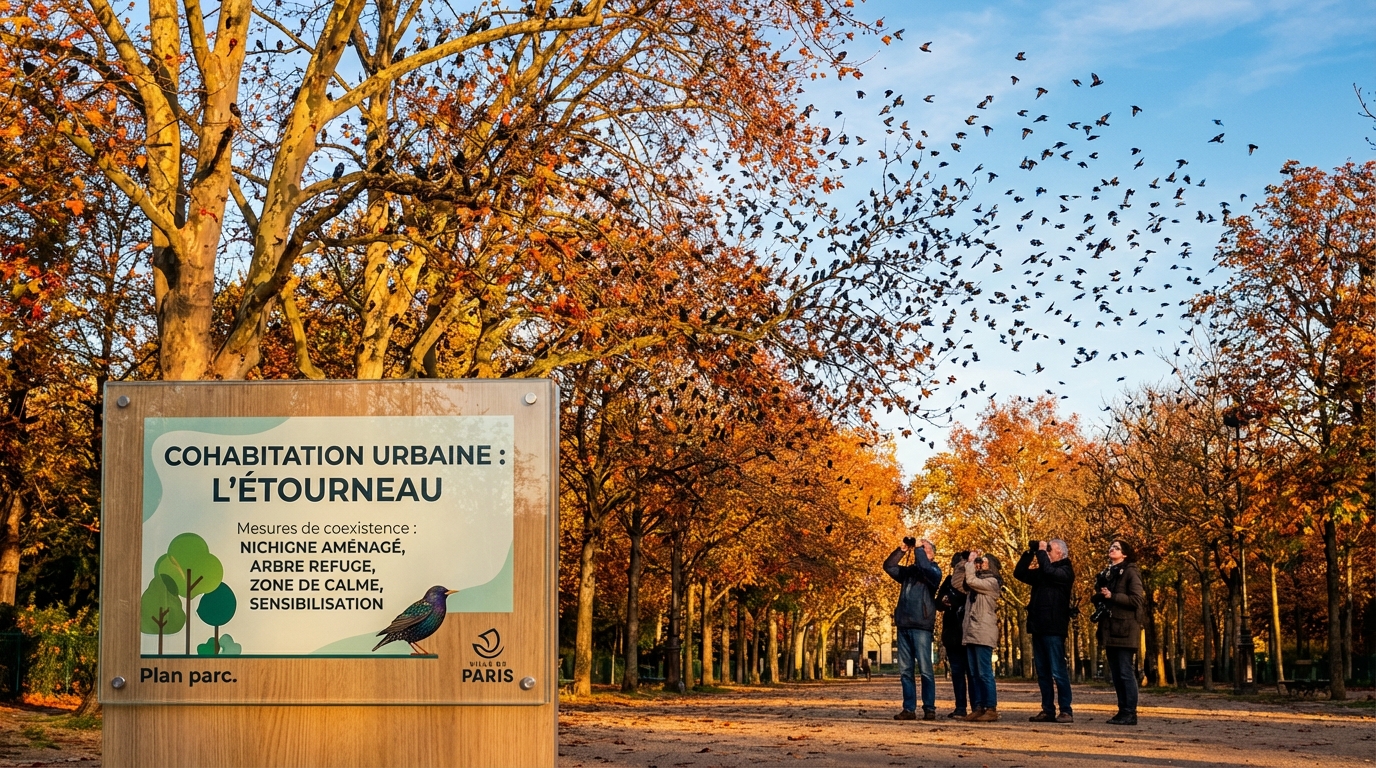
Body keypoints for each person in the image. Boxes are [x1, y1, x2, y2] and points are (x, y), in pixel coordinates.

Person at [1014, 539, 1076, 723]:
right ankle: (1048, 709)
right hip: (1039, 627)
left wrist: (1041, 551)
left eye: (1049, 549)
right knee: (1043, 673)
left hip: (1054, 628)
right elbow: (1019, 573)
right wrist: (1030, 552)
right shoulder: (1043, 572)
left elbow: (1049, 571)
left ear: (1061, 553)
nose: (1046, 552)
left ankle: (1066, 710)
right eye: (1045, 549)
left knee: (1058, 671)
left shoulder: (1065, 571)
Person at [883, 536, 942, 721]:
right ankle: (909, 709)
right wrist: (901, 550)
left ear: (930, 554)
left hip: (922, 626)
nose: (919, 550)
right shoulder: (909, 572)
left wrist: (918, 549)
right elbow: (889, 567)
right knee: (905, 671)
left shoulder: (934, 571)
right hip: (904, 625)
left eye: (924, 548)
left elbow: (924, 567)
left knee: (925, 670)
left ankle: (929, 708)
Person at [1091, 539, 1145, 726]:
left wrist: (1112, 596)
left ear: (1125, 554)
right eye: (1111, 546)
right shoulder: (1107, 573)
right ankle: (1122, 711)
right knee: (1116, 673)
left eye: (1117, 547)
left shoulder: (1131, 572)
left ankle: (1130, 712)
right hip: (1110, 628)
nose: (1111, 549)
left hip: (1125, 629)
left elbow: (1137, 600)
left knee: (1125, 672)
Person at [953, 549, 1002, 722]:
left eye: (984, 562)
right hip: (971, 632)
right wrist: (966, 561)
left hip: (983, 632)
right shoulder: (974, 584)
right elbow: (957, 582)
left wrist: (971, 564)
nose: (980, 564)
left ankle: (991, 708)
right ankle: (979, 707)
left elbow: (971, 580)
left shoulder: (992, 582)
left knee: (984, 673)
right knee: (974, 674)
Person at [935, 551, 972, 718]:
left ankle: (971, 707)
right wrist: (943, 602)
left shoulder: (971, 580)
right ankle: (962, 707)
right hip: (953, 632)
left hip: (966, 630)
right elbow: (938, 602)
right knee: (959, 672)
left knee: (969, 672)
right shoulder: (949, 581)